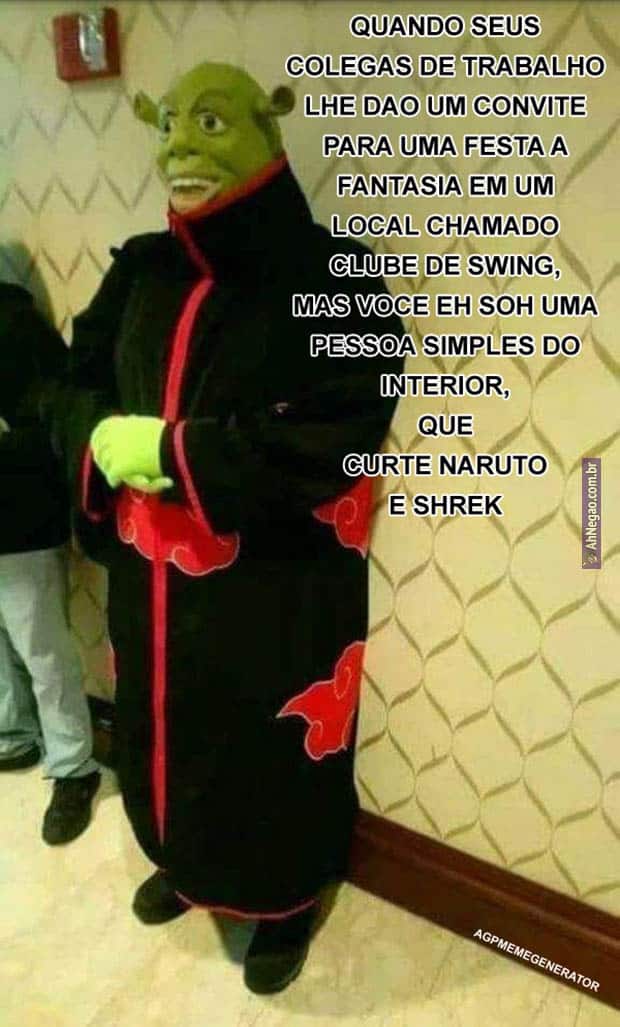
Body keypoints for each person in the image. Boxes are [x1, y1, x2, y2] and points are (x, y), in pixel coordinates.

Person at [53, 62, 404, 993]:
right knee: (165, 722)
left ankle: (285, 899)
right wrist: (101, 435)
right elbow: (75, 380)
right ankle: (186, 864)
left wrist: (178, 452)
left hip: (273, 580)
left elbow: (338, 423)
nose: (179, 145)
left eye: (207, 123)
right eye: (168, 124)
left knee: (264, 735)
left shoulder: (335, 279)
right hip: (153, 579)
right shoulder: (141, 269)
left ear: (263, 129)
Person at [0, 280, 100, 843]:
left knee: (42, 649)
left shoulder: (15, 326)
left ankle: (73, 767)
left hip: (18, 520)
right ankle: (12, 736)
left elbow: (60, 424)